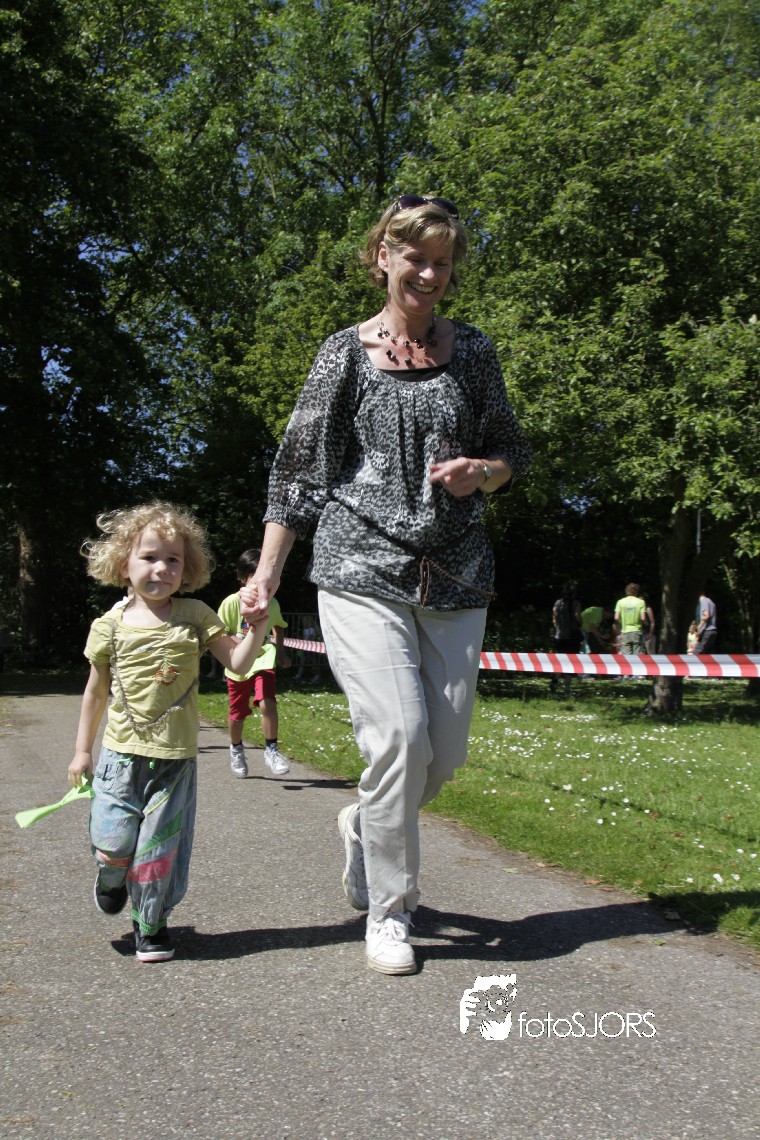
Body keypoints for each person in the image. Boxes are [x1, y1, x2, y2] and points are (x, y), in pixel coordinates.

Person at [244, 194, 532, 975]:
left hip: (457, 574)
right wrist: (266, 576)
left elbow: (513, 449)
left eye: (443, 262)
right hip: (358, 565)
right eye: (416, 258)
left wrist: (485, 472)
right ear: (383, 256)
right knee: (400, 738)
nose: (430, 275)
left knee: (443, 754)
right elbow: (298, 474)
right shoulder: (343, 354)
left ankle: (365, 824)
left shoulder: (473, 351)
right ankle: (391, 911)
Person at [67, 503, 269, 963]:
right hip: (119, 757)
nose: (162, 568)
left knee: (158, 849)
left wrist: (255, 627)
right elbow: (95, 693)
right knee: (114, 843)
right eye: (149, 557)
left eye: (173, 559)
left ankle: (150, 924)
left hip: (174, 762)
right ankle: (111, 876)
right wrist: (82, 751)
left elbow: (238, 664)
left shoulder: (195, 615)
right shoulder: (108, 626)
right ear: (124, 564)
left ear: (187, 567)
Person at [218, 547, 291, 778]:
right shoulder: (230, 603)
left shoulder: (273, 603)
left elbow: (278, 627)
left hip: (263, 659)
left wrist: (280, 652)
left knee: (268, 703)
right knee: (237, 713)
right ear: (243, 578)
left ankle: (272, 750)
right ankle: (236, 749)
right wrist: (239, 644)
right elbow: (221, 632)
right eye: (254, 577)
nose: (260, 584)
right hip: (238, 664)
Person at [550, 582, 583, 696]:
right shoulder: (576, 603)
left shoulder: (557, 603)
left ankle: (555, 678)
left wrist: (559, 628)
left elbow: (554, 619)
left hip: (559, 636)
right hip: (572, 636)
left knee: (560, 660)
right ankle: (567, 689)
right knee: (570, 662)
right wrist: (580, 623)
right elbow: (577, 616)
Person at [614, 583, 647, 655]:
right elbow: (643, 618)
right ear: (636, 592)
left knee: (626, 656)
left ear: (627, 591)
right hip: (637, 631)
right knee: (638, 655)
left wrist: (622, 622)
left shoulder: (620, 602)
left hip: (625, 631)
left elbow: (616, 617)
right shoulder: (641, 602)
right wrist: (646, 624)